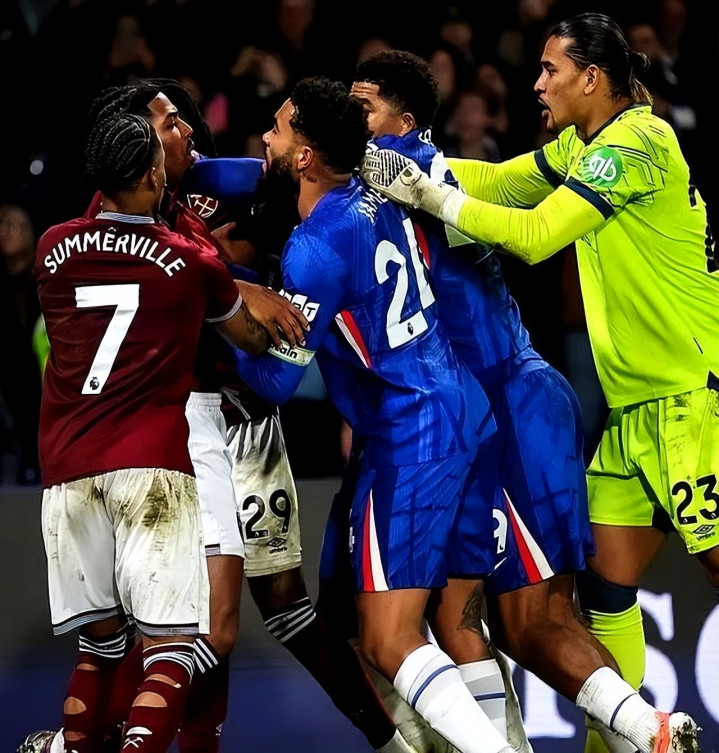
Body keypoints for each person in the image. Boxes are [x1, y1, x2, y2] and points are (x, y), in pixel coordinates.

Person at [360, 14, 715, 753]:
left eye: (551, 69)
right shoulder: (584, 144)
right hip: (633, 417)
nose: (538, 82)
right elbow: (505, 180)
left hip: (693, 406)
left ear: (592, 77)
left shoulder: (636, 144)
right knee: (604, 592)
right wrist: (404, 164)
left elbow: (533, 234)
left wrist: (427, 195)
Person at [74, 77, 414, 753]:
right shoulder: (114, 219)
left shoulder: (208, 185)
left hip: (248, 419)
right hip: (178, 428)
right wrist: (237, 284)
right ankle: (88, 737)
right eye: (169, 125)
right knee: (194, 616)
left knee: (284, 605)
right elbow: (175, 287)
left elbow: (276, 172)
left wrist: (257, 263)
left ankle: (393, 744)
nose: (187, 134)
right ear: (136, 146)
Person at [232, 74, 518, 753]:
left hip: (412, 430)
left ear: (305, 156)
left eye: (277, 129)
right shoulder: (374, 189)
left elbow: (274, 382)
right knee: (440, 619)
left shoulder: (313, 250)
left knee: (389, 638)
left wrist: (217, 311)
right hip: (460, 407)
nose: (265, 138)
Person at [29, 111, 273, 753]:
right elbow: (250, 338)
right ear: (151, 177)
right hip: (153, 468)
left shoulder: (50, 249)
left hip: (66, 473)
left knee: (99, 647)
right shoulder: (191, 262)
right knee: (172, 650)